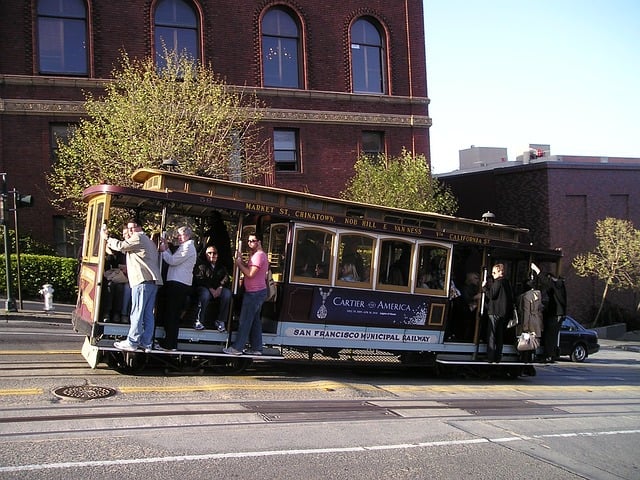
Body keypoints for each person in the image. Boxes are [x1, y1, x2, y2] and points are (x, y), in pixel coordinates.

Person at [102, 220, 162, 352]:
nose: (130, 231)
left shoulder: (138, 237)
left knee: (137, 312)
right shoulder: (147, 240)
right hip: (151, 281)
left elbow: (121, 246)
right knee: (147, 313)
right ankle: (146, 342)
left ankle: (132, 341)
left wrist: (106, 237)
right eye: (129, 229)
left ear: (140, 227)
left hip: (142, 280)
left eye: (132, 228)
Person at [223, 232, 269, 356]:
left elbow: (250, 274)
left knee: (245, 320)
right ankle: (257, 348)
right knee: (254, 321)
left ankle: (237, 348)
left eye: (253, 241)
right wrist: (242, 262)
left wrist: (238, 264)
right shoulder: (256, 255)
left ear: (259, 242)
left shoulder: (259, 256)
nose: (250, 243)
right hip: (256, 292)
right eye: (249, 241)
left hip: (255, 293)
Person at [156, 226, 197, 351]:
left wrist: (163, 251)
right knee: (170, 312)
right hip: (177, 282)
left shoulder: (188, 247)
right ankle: (169, 342)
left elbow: (173, 261)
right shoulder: (185, 247)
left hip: (179, 284)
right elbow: (174, 260)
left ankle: (170, 344)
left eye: (181, 235)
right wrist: (166, 249)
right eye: (178, 235)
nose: (179, 237)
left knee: (173, 314)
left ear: (188, 236)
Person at [193, 244, 232, 332]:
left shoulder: (221, 266)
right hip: (205, 288)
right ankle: (199, 321)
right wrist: (211, 288)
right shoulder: (201, 265)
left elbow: (226, 278)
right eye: (209, 253)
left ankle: (221, 321)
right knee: (205, 295)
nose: (212, 255)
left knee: (227, 294)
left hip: (218, 289)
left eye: (214, 253)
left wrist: (220, 287)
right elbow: (200, 279)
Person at [482, 263, 514, 363]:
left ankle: (490, 357)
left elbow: (492, 295)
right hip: (502, 313)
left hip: (494, 312)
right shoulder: (507, 283)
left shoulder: (498, 282)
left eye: (494, 272)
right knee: (500, 336)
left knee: (491, 335)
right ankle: (498, 357)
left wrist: (484, 288)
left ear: (500, 272)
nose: (493, 274)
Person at [516, 279, 544, 362]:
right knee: (533, 342)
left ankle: (524, 361)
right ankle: (531, 362)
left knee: (525, 342)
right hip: (536, 320)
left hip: (529, 321)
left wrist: (524, 326)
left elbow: (526, 312)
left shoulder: (526, 296)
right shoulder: (538, 294)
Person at [542, 273, 567, 362]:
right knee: (552, 336)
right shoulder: (559, 287)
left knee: (550, 336)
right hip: (557, 315)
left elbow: (548, 285)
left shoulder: (558, 285)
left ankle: (548, 355)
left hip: (555, 315)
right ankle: (550, 355)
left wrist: (538, 271)